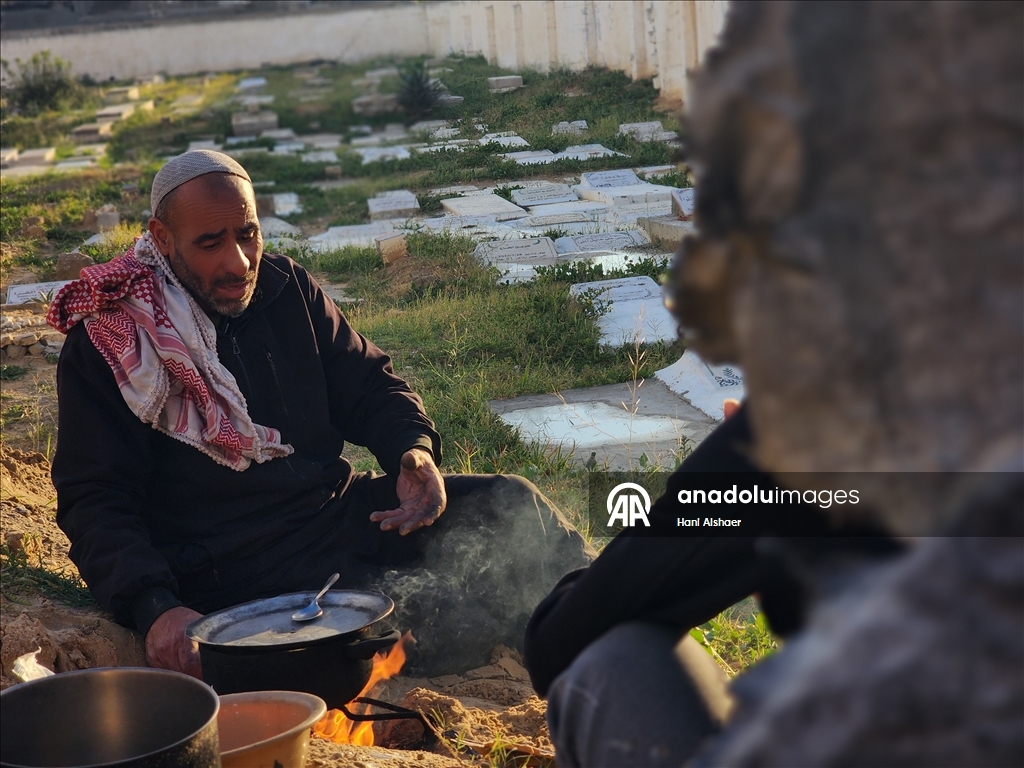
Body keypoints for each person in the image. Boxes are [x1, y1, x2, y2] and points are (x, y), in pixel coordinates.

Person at [48, 149, 592, 679]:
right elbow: (95, 499)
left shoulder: (287, 291)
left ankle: (618, 618)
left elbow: (370, 385)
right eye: (210, 243)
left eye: (248, 235)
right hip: (236, 571)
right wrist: (155, 607)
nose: (237, 263)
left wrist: (413, 453)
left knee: (513, 504)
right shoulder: (112, 344)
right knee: (451, 617)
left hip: (342, 515)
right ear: (162, 238)